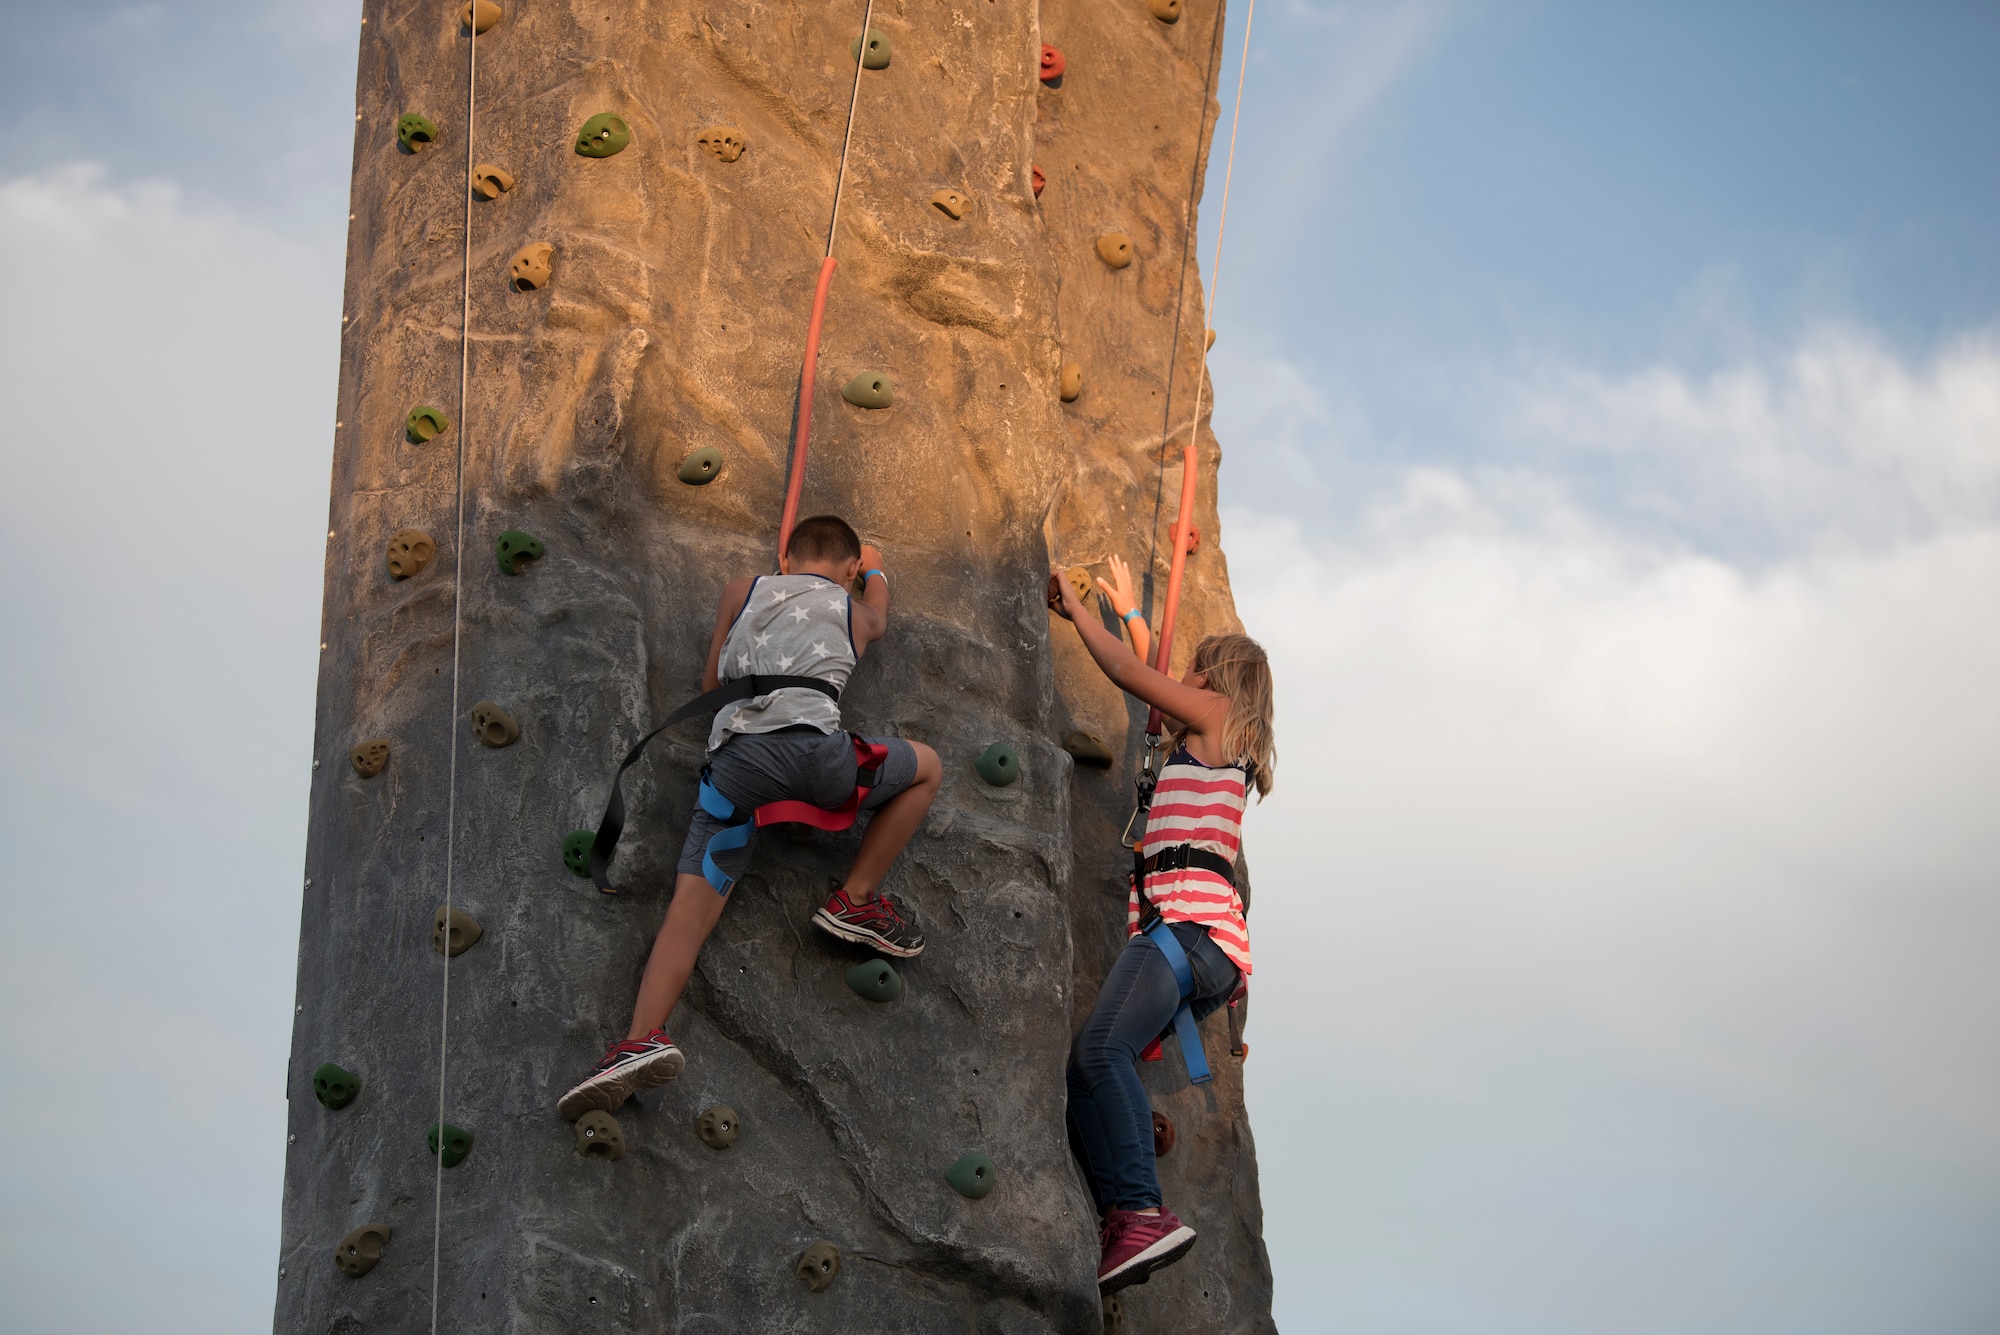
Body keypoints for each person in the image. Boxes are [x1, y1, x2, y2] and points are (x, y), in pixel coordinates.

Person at [557, 516, 942, 1120]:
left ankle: (639, 1039)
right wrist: (876, 567)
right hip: (823, 762)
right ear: (848, 572)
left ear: (784, 561)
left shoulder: (743, 589)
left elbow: (713, 681)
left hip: (738, 769)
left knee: (687, 915)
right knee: (927, 768)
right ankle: (856, 898)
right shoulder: (855, 608)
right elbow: (881, 612)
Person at [1048, 563, 1276, 1296]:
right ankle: (1124, 1195)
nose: (1181, 679)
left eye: (1194, 672)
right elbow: (1149, 678)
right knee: (1087, 1067)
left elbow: (1128, 674)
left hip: (1191, 931)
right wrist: (1129, 610)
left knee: (1100, 1048)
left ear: (1218, 683)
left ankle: (1141, 1207)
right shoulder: (1212, 739)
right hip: (1201, 945)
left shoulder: (1214, 721)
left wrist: (1086, 618)